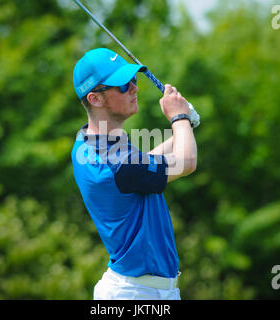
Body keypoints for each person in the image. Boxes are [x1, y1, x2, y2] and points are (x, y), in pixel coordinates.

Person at [71, 48, 198, 300]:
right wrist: (180, 117)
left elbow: (143, 165)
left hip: (138, 289)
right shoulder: (117, 161)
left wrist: (182, 129)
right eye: (122, 86)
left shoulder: (88, 141)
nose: (134, 89)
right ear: (95, 99)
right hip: (137, 294)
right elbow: (186, 162)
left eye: (133, 81)